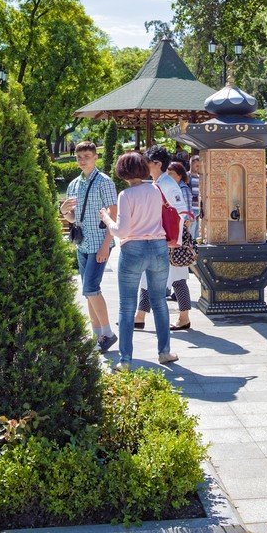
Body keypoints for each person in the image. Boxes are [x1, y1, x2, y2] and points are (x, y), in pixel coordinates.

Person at [100, 152, 176, 368]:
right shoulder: (155, 189)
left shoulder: (126, 195)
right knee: (160, 302)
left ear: (122, 172)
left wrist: (106, 218)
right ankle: (165, 352)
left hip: (133, 249)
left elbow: (121, 230)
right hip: (158, 247)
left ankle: (125, 360)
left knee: (126, 306)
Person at [60, 140, 119, 352]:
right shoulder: (74, 184)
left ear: (96, 158)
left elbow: (113, 214)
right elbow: (72, 218)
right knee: (88, 291)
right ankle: (98, 336)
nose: (82, 161)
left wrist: (106, 246)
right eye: (79, 157)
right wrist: (64, 211)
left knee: (91, 288)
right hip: (82, 243)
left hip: (99, 242)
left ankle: (109, 333)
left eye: (87, 157)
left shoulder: (104, 181)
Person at [134, 147, 192, 331]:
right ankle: (139, 316)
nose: (144, 165)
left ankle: (183, 317)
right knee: (148, 276)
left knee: (176, 278)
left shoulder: (166, 183)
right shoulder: (159, 182)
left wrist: (176, 241)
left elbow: (182, 211)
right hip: (160, 237)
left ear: (157, 164)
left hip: (169, 239)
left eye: (147, 162)